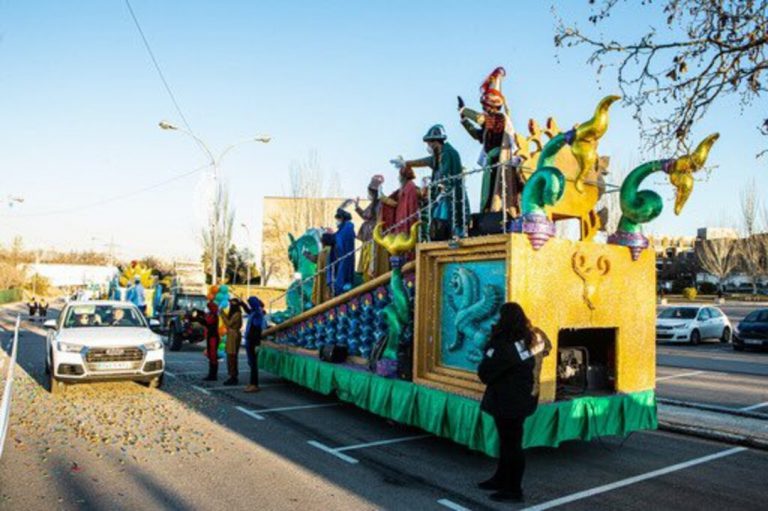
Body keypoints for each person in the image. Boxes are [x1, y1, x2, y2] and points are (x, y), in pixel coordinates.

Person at [477, 302, 551, 503]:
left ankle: (513, 489)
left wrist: (491, 346)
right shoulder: (534, 337)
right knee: (510, 442)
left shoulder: (503, 343)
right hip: (526, 396)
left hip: (507, 400)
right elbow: (547, 347)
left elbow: (485, 373)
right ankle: (501, 479)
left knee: (511, 444)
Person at [458, 67, 521, 215]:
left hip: (500, 158)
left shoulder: (500, 118)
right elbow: (478, 135)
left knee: (497, 191)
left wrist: (464, 110)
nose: (484, 109)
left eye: (486, 106)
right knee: (488, 191)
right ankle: (487, 211)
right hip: (491, 161)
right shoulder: (489, 122)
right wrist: (464, 121)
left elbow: (481, 119)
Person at [401, 125, 469, 240]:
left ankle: (454, 236)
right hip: (442, 197)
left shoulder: (448, 153)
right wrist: (406, 163)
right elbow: (425, 161)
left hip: (448, 196)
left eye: (429, 143)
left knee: (445, 221)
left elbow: (445, 175)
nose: (428, 146)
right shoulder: (439, 154)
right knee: (437, 222)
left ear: (435, 142)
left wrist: (443, 190)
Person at [355, 175, 389, 281]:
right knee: (367, 260)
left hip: (374, 236)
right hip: (368, 237)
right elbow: (366, 215)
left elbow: (378, 218)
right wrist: (357, 207)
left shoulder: (381, 204)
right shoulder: (373, 204)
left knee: (373, 261)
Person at [329, 208, 356, 296]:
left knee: (342, 276)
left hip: (344, 257)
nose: (336, 222)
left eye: (338, 219)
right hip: (342, 257)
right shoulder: (344, 228)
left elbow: (340, 241)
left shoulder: (347, 229)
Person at [242, 296, 265, 393]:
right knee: (251, 363)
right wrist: (242, 304)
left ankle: (254, 384)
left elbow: (257, 331)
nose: (249, 305)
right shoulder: (254, 312)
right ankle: (252, 383)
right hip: (250, 340)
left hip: (253, 342)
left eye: (250, 303)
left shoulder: (257, 314)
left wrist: (256, 344)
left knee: (253, 364)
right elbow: (248, 310)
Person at [308, 231, 335, 306]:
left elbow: (316, 259)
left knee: (323, 293)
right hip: (328, 277)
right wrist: (307, 254)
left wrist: (307, 254)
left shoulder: (325, 252)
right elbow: (316, 259)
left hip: (325, 278)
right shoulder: (330, 250)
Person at [221, 299, 244, 386]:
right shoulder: (234, 313)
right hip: (231, 335)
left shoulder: (237, 314)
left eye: (232, 304)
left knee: (232, 356)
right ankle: (231, 375)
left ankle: (233, 376)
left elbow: (229, 323)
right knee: (230, 356)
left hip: (234, 336)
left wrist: (222, 314)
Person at [203, 301, 220, 382]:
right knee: (211, 355)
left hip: (213, 337)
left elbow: (207, 322)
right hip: (211, 336)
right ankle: (211, 374)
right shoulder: (211, 314)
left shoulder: (213, 315)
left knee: (213, 355)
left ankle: (213, 375)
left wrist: (201, 319)